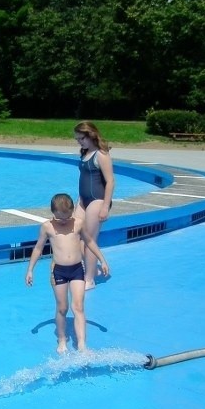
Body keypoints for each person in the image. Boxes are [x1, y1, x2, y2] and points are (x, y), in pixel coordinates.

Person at [25, 193, 110, 353]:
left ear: (72, 211)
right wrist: (30, 270)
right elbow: (38, 248)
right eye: (60, 218)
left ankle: (82, 343)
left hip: (77, 269)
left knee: (78, 306)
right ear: (53, 213)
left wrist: (102, 260)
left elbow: (90, 241)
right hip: (59, 272)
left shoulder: (78, 223)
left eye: (67, 217)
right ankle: (62, 339)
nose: (64, 221)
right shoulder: (47, 227)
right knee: (62, 308)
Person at [74, 120, 115, 291]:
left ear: (91, 136)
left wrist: (105, 206)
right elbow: (84, 180)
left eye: (81, 138)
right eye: (77, 139)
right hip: (83, 201)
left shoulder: (101, 155)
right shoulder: (85, 154)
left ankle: (89, 279)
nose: (79, 142)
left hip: (97, 201)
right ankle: (94, 268)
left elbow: (111, 181)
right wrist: (79, 201)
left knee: (89, 239)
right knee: (75, 234)